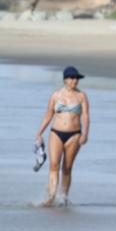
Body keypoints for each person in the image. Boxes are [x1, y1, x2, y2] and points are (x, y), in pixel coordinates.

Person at [34, 66, 90, 206]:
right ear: (65, 79)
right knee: (54, 165)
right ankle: (52, 197)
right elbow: (48, 114)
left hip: (74, 135)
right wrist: (39, 133)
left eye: (77, 78)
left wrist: (85, 134)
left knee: (67, 167)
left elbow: (85, 116)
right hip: (56, 133)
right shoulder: (56, 95)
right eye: (72, 78)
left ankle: (63, 197)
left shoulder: (81, 96)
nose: (75, 81)